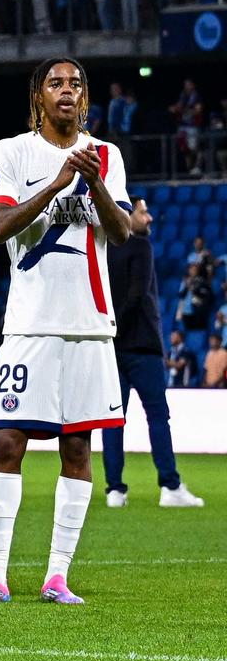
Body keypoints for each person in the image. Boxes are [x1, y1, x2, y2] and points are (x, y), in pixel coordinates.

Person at [0, 58, 134, 606]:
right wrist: (60, 182)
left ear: (85, 98)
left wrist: (93, 181)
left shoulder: (107, 154)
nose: (67, 91)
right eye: (56, 83)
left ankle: (57, 576)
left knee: (77, 449)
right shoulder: (11, 152)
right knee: (8, 442)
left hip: (90, 327)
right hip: (30, 325)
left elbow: (123, 230)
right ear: (38, 96)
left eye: (76, 84)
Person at [102, 196, 201, 509]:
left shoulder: (103, 247)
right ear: (127, 214)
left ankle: (115, 491)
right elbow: (138, 294)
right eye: (144, 212)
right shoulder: (141, 245)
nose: (150, 219)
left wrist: (108, 330)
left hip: (111, 348)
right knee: (158, 416)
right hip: (142, 346)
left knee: (113, 421)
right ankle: (170, 486)